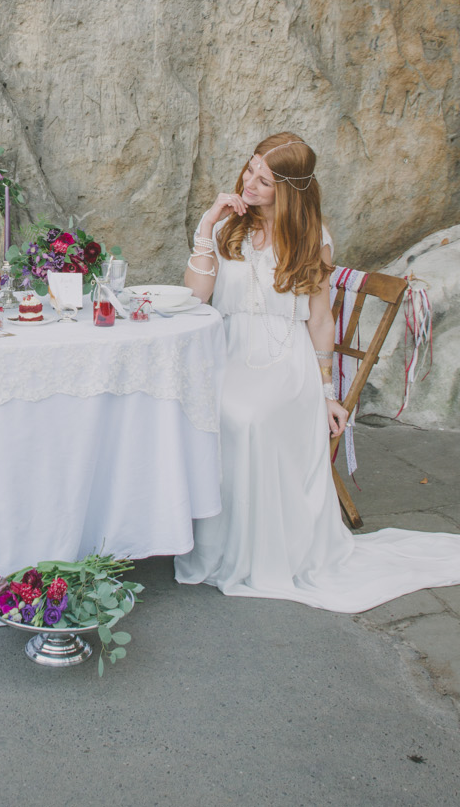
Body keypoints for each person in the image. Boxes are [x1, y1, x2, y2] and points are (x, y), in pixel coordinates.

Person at [175, 131, 460, 611]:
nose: (249, 184)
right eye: (249, 170)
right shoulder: (230, 229)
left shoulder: (313, 240)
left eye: (264, 181)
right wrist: (207, 224)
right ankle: (215, 549)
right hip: (228, 352)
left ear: (289, 190)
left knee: (246, 416)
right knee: (207, 407)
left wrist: (329, 392)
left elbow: (322, 319)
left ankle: (260, 552)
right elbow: (197, 296)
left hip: (286, 361)